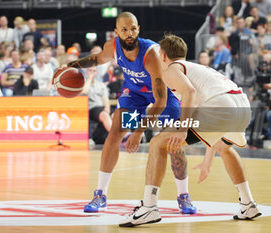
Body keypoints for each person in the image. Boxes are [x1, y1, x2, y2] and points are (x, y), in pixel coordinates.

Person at [119, 34, 261, 227]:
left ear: (163, 55)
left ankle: (149, 207)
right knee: (225, 148)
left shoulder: (172, 69)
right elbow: (214, 128)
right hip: (240, 106)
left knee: (157, 143)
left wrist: (183, 129)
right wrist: (207, 162)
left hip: (221, 106)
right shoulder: (196, 69)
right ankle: (248, 204)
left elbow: (190, 92)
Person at [63, 12, 196, 214]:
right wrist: (70, 67)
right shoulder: (113, 47)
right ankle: (100, 194)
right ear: (116, 32)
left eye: (133, 28)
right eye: (124, 30)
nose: (129, 33)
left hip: (162, 96)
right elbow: (96, 59)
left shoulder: (151, 54)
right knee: (115, 133)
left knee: (173, 142)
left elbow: (159, 100)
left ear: (138, 29)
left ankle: (184, 196)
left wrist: (139, 131)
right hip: (135, 95)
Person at [81, 66, 112, 144]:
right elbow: (85, 91)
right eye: (89, 70)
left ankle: (127, 135)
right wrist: (89, 79)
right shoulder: (81, 83)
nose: (91, 72)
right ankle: (116, 136)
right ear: (86, 71)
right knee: (104, 115)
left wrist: (107, 108)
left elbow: (105, 98)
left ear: (97, 73)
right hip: (90, 109)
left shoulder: (101, 85)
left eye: (94, 71)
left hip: (101, 108)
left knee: (116, 114)